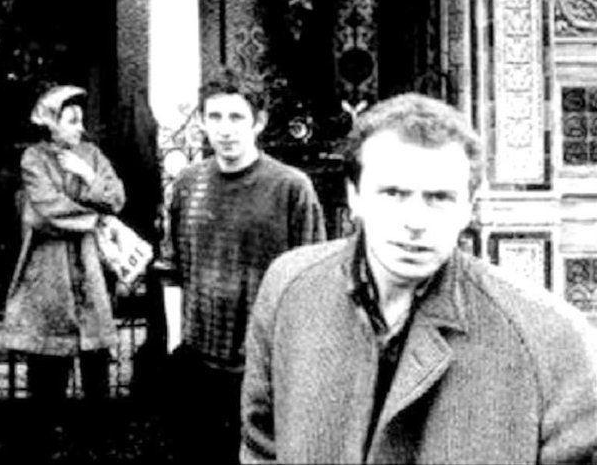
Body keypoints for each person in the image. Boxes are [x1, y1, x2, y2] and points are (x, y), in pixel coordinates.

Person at [241, 93, 597, 463]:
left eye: (439, 198)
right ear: (354, 196)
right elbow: (260, 445)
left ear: (469, 207)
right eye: (393, 193)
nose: (415, 221)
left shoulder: (550, 338)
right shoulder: (290, 288)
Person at [157, 68, 325, 463]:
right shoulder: (187, 184)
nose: (225, 129)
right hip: (198, 361)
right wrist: (176, 343)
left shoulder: (291, 187)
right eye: (214, 117)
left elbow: (314, 281)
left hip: (264, 365)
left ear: (259, 122)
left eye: (236, 117)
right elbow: (171, 269)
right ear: (201, 121)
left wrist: (298, 357)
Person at [0, 85, 127, 454]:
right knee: (47, 364)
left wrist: (87, 175)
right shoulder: (34, 159)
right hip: (49, 269)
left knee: (96, 364)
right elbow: (45, 211)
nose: (79, 128)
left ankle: (96, 445)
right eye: (71, 120)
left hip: (89, 267)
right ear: (50, 123)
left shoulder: (92, 155)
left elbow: (116, 197)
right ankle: (41, 445)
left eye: (80, 120)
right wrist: (96, 219)